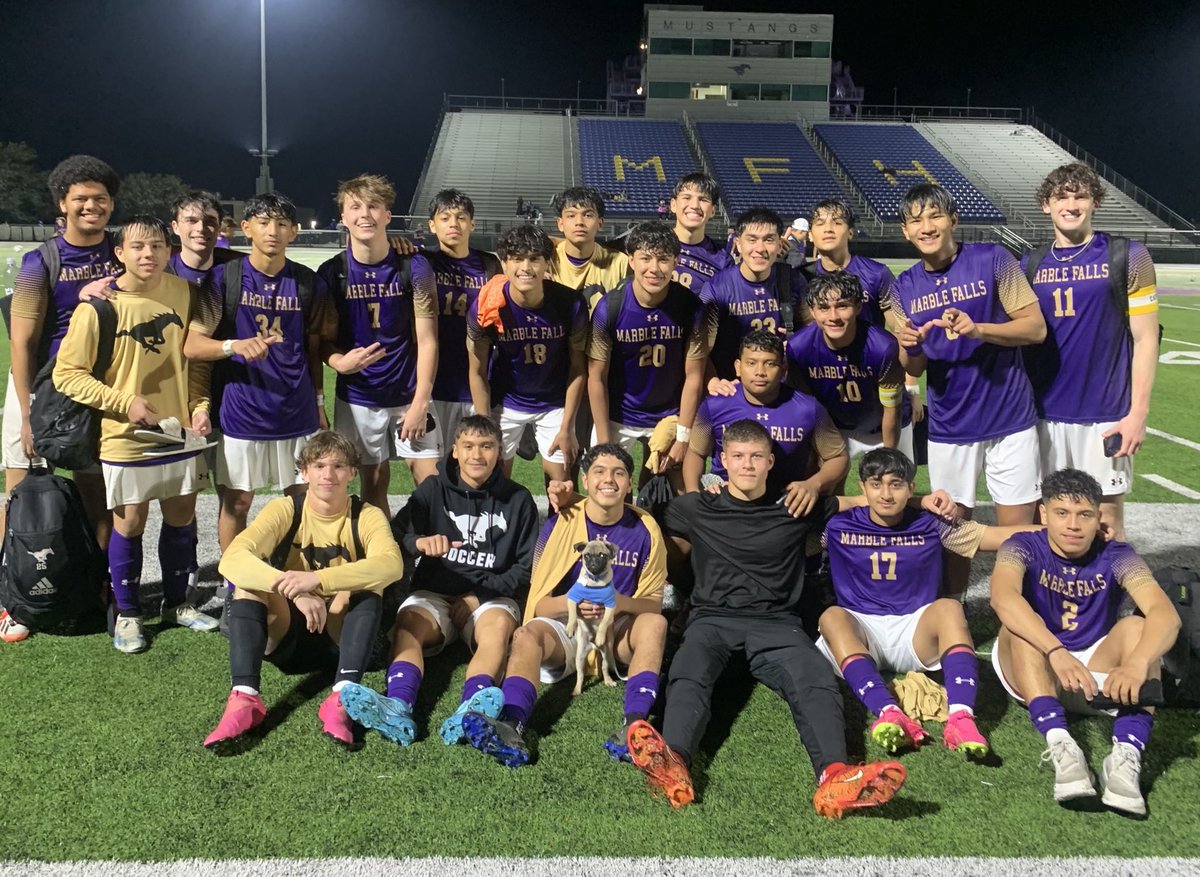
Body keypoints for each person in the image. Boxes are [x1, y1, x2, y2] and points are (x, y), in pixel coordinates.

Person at [627, 419, 907, 817]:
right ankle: (673, 763)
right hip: (712, 621)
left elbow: (864, 502)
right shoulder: (697, 507)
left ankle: (835, 775)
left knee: (816, 677)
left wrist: (924, 502)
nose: (747, 465)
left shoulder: (794, 504)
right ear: (724, 461)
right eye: (738, 456)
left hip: (777, 624)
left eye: (756, 456)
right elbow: (633, 516)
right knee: (688, 672)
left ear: (770, 462)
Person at [52, 216, 220, 653]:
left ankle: (177, 603)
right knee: (129, 523)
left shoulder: (186, 293)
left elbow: (195, 361)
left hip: (180, 432)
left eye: (157, 246)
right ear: (119, 253)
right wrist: (124, 402)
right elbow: (67, 374)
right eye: (138, 246)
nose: (149, 254)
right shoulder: (99, 305)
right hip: (126, 436)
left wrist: (200, 407)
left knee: (181, 518)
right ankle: (128, 612)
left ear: (169, 250)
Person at [816, 448, 1039, 756]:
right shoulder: (836, 526)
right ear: (862, 487)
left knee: (949, 607)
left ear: (911, 488)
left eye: (896, 485)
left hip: (916, 631)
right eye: (876, 484)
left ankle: (961, 717)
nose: (886, 494)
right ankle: (887, 712)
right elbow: (793, 520)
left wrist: (1057, 531)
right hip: (861, 631)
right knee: (831, 616)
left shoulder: (933, 525)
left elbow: (995, 536)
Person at [336, 416, 538, 747]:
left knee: (498, 629)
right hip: (436, 591)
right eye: (468, 446)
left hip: (489, 595)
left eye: (486, 446)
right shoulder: (433, 489)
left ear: (499, 451)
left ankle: (470, 710)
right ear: (454, 450)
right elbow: (395, 536)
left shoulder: (518, 499)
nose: (477, 455)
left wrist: (478, 596)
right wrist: (419, 543)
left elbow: (525, 568)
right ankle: (398, 705)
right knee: (407, 624)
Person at [462, 443, 667, 766]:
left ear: (630, 483)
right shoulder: (561, 522)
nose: (608, 480)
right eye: (599, 472)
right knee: (526, 635)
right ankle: (511, 723)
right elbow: (539, 606)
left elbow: (653, 605)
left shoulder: (646, 529)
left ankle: (635, 725)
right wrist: (573, 602)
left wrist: (618, 603)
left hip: (616, 632)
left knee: (656, 624)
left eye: (619, 473)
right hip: (567, 629)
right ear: (585, 480)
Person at [989, 469, 1179, 815]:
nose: (1073, 525)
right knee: (1020, 625)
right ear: (1044, 513)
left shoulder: (1118, 554)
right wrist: (1055, 651)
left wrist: (1138, 662)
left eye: (1084, 515)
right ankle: (1063, 748)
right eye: (1062, 513)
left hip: (1094, 673)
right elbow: (1003, 597)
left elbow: (1166, 615)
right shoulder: (1021, 545)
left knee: (1140, 629)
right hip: (1035, 669)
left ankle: (1126, 756)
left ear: (1098, 517)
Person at [887, 183, 1047, 594]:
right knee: (952, 532)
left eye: (935, 215)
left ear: (953, 220)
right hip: (950, 423)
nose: (926, 226)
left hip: (1010, 418)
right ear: (905, 231)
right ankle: (952, 608)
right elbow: (913, 365)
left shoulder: (993, 259)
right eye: (916, 220)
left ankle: (1015, 613)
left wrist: (979, 330)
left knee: (1019, 534)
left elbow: (1035, 328)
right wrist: (911, 346)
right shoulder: (904, 287)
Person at [205, 431, 403, 749]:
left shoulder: (366, 514)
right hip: (286, 635)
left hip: (342, 636)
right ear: (304, 472)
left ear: (353, 472)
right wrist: (295, 591)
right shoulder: (284, 509)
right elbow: (232, 559)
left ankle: (343, 696)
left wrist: (319, 580)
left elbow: (391, 565)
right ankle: (245, 698)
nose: (328, 474)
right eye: (319, 466)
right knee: (248, 584)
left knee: (370, 583)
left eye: (338, 466)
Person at [188, 193, 336, 564]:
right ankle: (233, 579)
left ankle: (300, 574)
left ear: (294, 232)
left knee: (302, 501)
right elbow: (192, 345)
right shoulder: (224, 278)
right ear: (246, 228)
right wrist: (233, 346)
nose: (273, 231)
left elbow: (313, 351)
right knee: (237, 502)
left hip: (296, 411)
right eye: (264, 222)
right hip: (243, 411)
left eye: (282, 224)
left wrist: (319, 403)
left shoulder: (308, 283)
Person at [1023, 163, 1159, 540]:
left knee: (1106, 522)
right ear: (1046, 205)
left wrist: (1138, 414)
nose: (1071, 205)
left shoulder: (1128, 255)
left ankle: (1109, 583)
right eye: (1061, 197)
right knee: (1048, 519)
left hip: (1107, 414)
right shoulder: (1030, 263)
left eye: (1080, 196)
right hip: (1043, 414)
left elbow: (1147, 340)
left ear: (1095, 202)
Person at [3, 155, 120, 549]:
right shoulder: (40, 261)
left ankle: (98, 578)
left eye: (100, 198)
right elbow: (22, 342)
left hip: (94, 384)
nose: (91, 206)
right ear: (62, 203)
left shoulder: (121, 253)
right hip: (41, 383)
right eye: (81, 198)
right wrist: (27, 413)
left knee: (97, 492)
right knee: (23, 490)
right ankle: (14, 579)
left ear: (111, 203)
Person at [318, 174, 440, 505]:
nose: (365, 214)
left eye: (373, 206)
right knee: (372, 486)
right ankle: (383, 541)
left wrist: (420, 402)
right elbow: (322, 341)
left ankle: (428, 541)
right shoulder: (332, 273)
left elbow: (428, 340)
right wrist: (339, 362)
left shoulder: (414, 267)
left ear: (387, 215)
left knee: (431, 485)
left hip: (408, 394)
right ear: (343, 217)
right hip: (358, 398)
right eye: (355, 207)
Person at [466, 225, 588, 483]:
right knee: (493, 482)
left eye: (534, 259)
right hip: (505, 401)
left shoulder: (570, 303)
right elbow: (477, 370)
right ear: (504, 262)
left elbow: (578, 368)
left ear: (547, 263)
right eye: (517, 258)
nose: (526, 267)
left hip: (554, 403)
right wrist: (485, 424)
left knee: (562, 484)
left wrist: (567, 426)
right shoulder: (487, 306)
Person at [588, 222, 707, 480]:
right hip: (619, 415)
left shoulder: (690, 307)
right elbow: (596, 377)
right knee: (606, 487)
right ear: (631, 260)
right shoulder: (609, 308)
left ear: (675, 262)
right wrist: (604, 439)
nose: (654, 268)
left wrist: (683, 436)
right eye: (645, 258)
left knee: (674, 489)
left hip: (669, 414)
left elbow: (694, 376)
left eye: (663, 259)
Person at [685, 330, 848, 513]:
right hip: (726, 497)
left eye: (770, 364)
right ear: (738, 367)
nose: (760, 372)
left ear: (783, 369)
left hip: (785, 502)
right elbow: (695, 453)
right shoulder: (715, 405)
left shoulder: (807, 409)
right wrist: (693, 495)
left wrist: (813, 484)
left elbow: (837, 457)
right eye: (751, 363)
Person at [787, 273, 912, 465]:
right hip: (833, 425)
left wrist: (889, 456)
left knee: (893, 477)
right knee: (824, 478)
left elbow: (891, 409)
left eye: (842, 306)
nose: (833, 317)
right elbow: (809, 407)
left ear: (858, 306)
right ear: (812, 311)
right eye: (823, 308)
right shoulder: (799, 347)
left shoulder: (883, 347)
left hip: (883, 424)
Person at [422, 189, 501, 448]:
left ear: (472, 224)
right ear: (432, 225)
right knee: (435, 462)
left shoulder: (489, 264)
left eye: (461, 217)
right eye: (445, 218)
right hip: (435, 382)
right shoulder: (422, 262)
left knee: (478, 458)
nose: (453, 224)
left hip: (478, 380)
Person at [699, 207, 801, 381]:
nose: (760, 248)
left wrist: (798, 342)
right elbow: (699, 348)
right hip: (732, 385)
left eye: (769, 240)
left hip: (781, 384)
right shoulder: (716, 287)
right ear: (738, 244)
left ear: (780, 244)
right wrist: (712, 380)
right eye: (752, 240)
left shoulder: (793, 280)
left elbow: (814, 332)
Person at [548, 186, 629, 308]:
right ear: (560, 224)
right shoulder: (546, 260)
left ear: (600, 223)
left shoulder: (620, 262)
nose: (579, 222)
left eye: (588, 215)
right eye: (571, 215)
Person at [667, 174, 733, 294]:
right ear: (673, 205)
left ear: (713, 210)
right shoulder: (650, 246)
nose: (694, 206)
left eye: (703, 200)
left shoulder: (723, 260)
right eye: (687, 198)